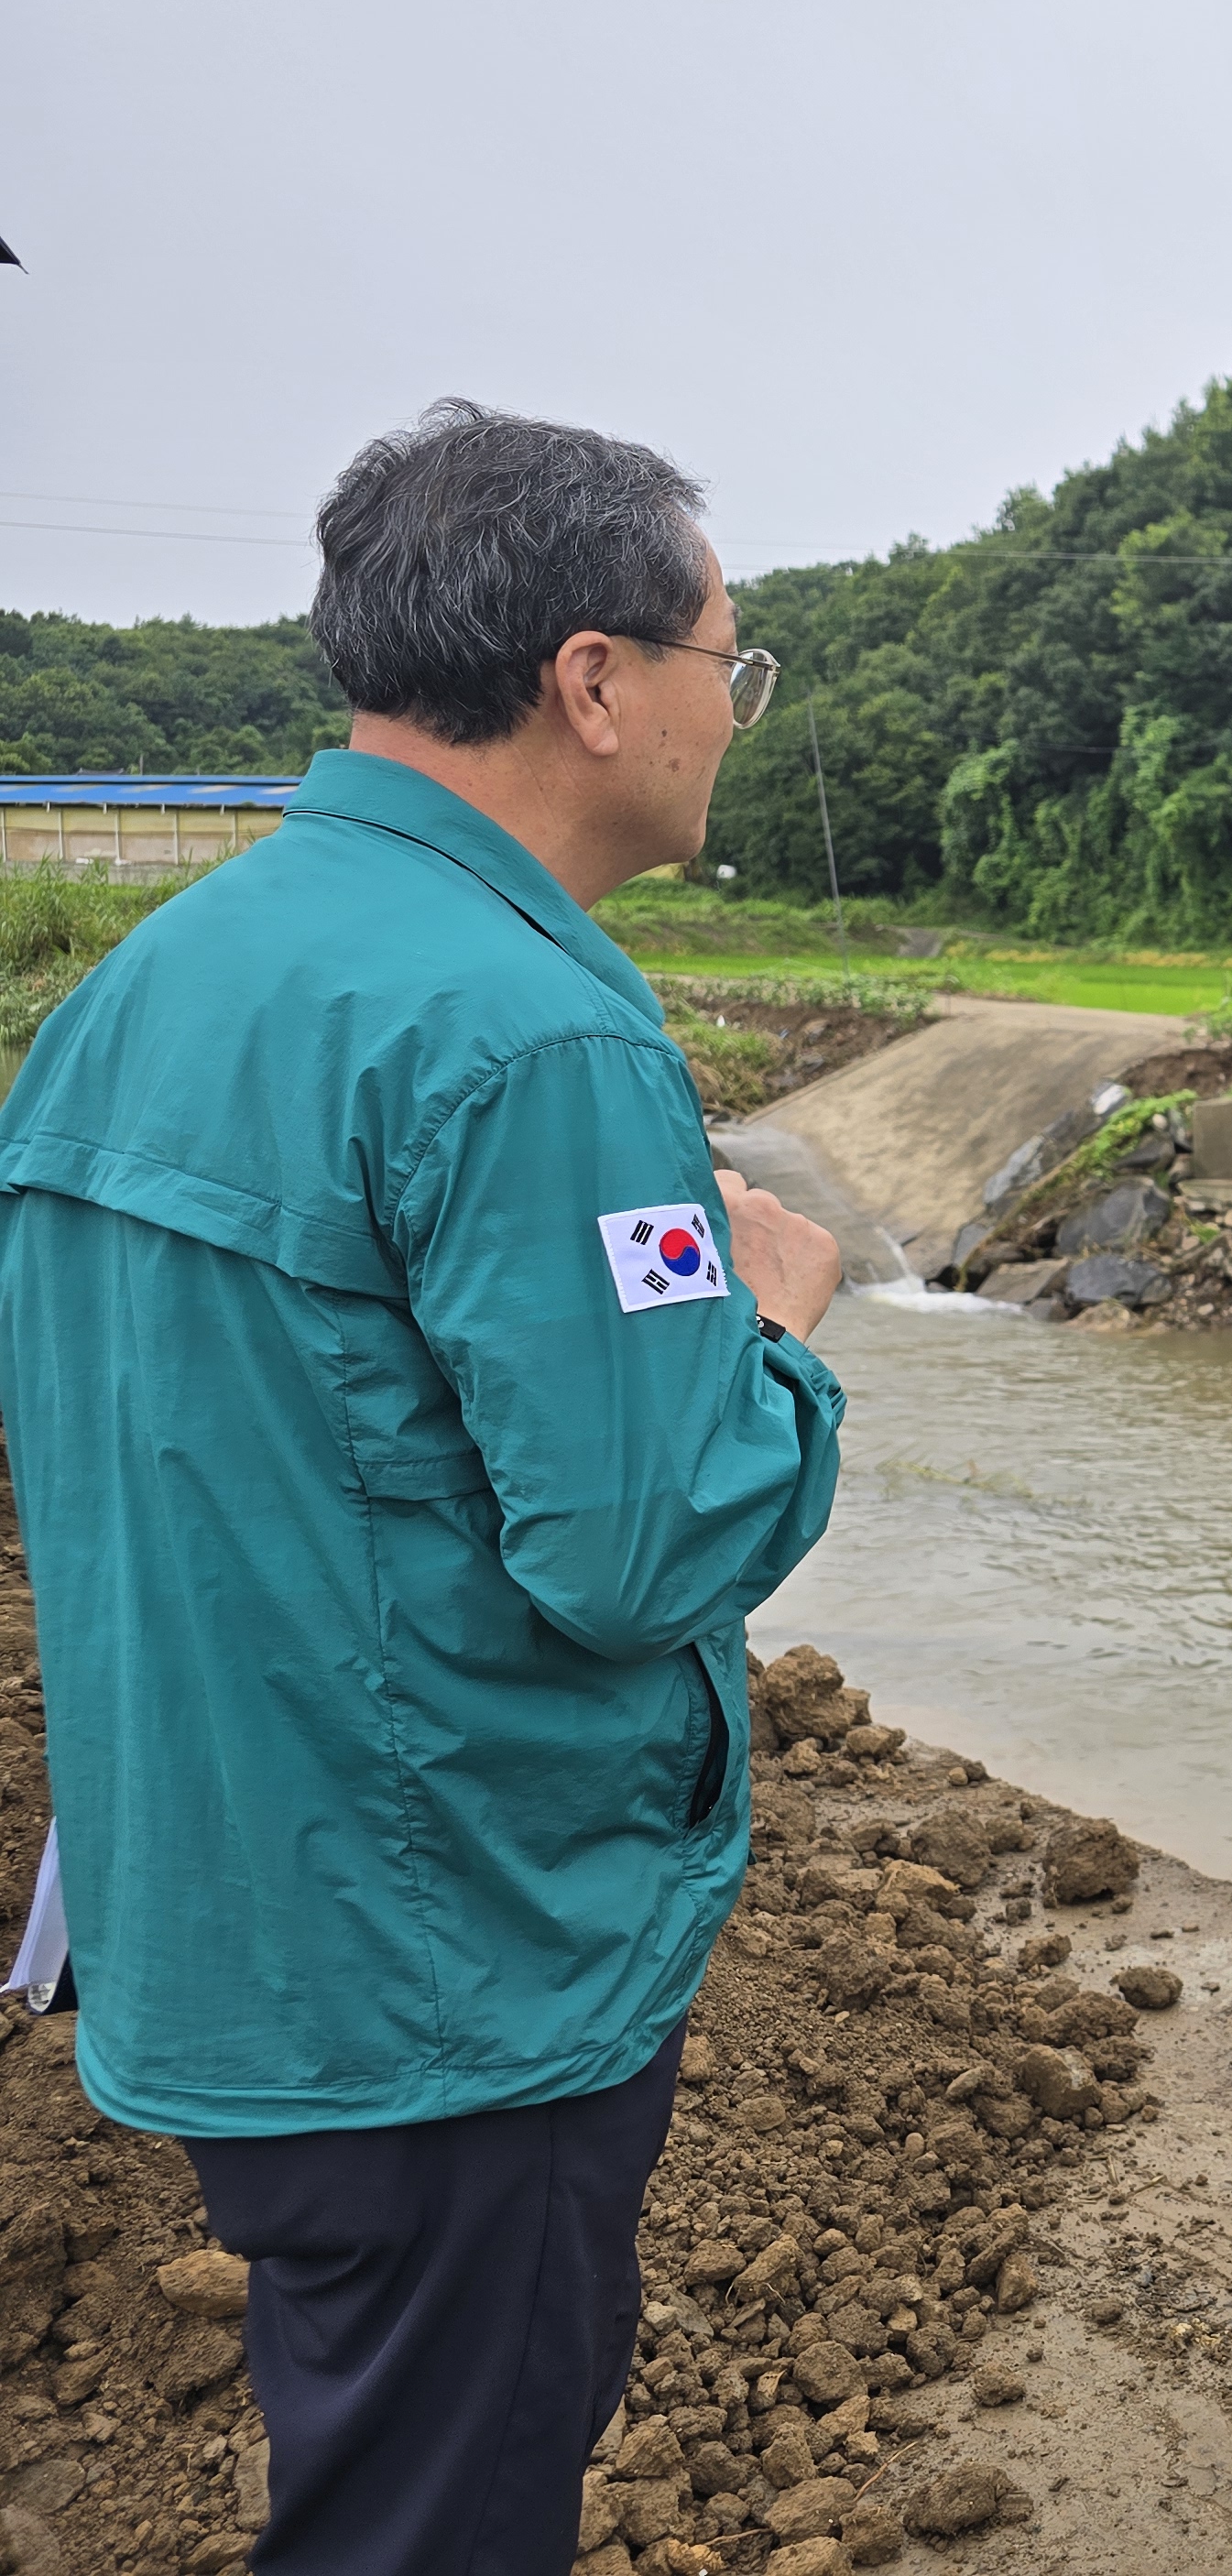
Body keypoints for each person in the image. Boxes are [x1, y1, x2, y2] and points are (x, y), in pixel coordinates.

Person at [0, 402, 847, 2574]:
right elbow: (637, 1540)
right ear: (594, 681)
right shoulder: (532, 1036)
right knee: (444, 2516)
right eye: (723, 666)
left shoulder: (139, 990)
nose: (726, 717)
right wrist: (770, 1329)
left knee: (373, 2464)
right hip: (449, 1978)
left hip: (226, 1922)